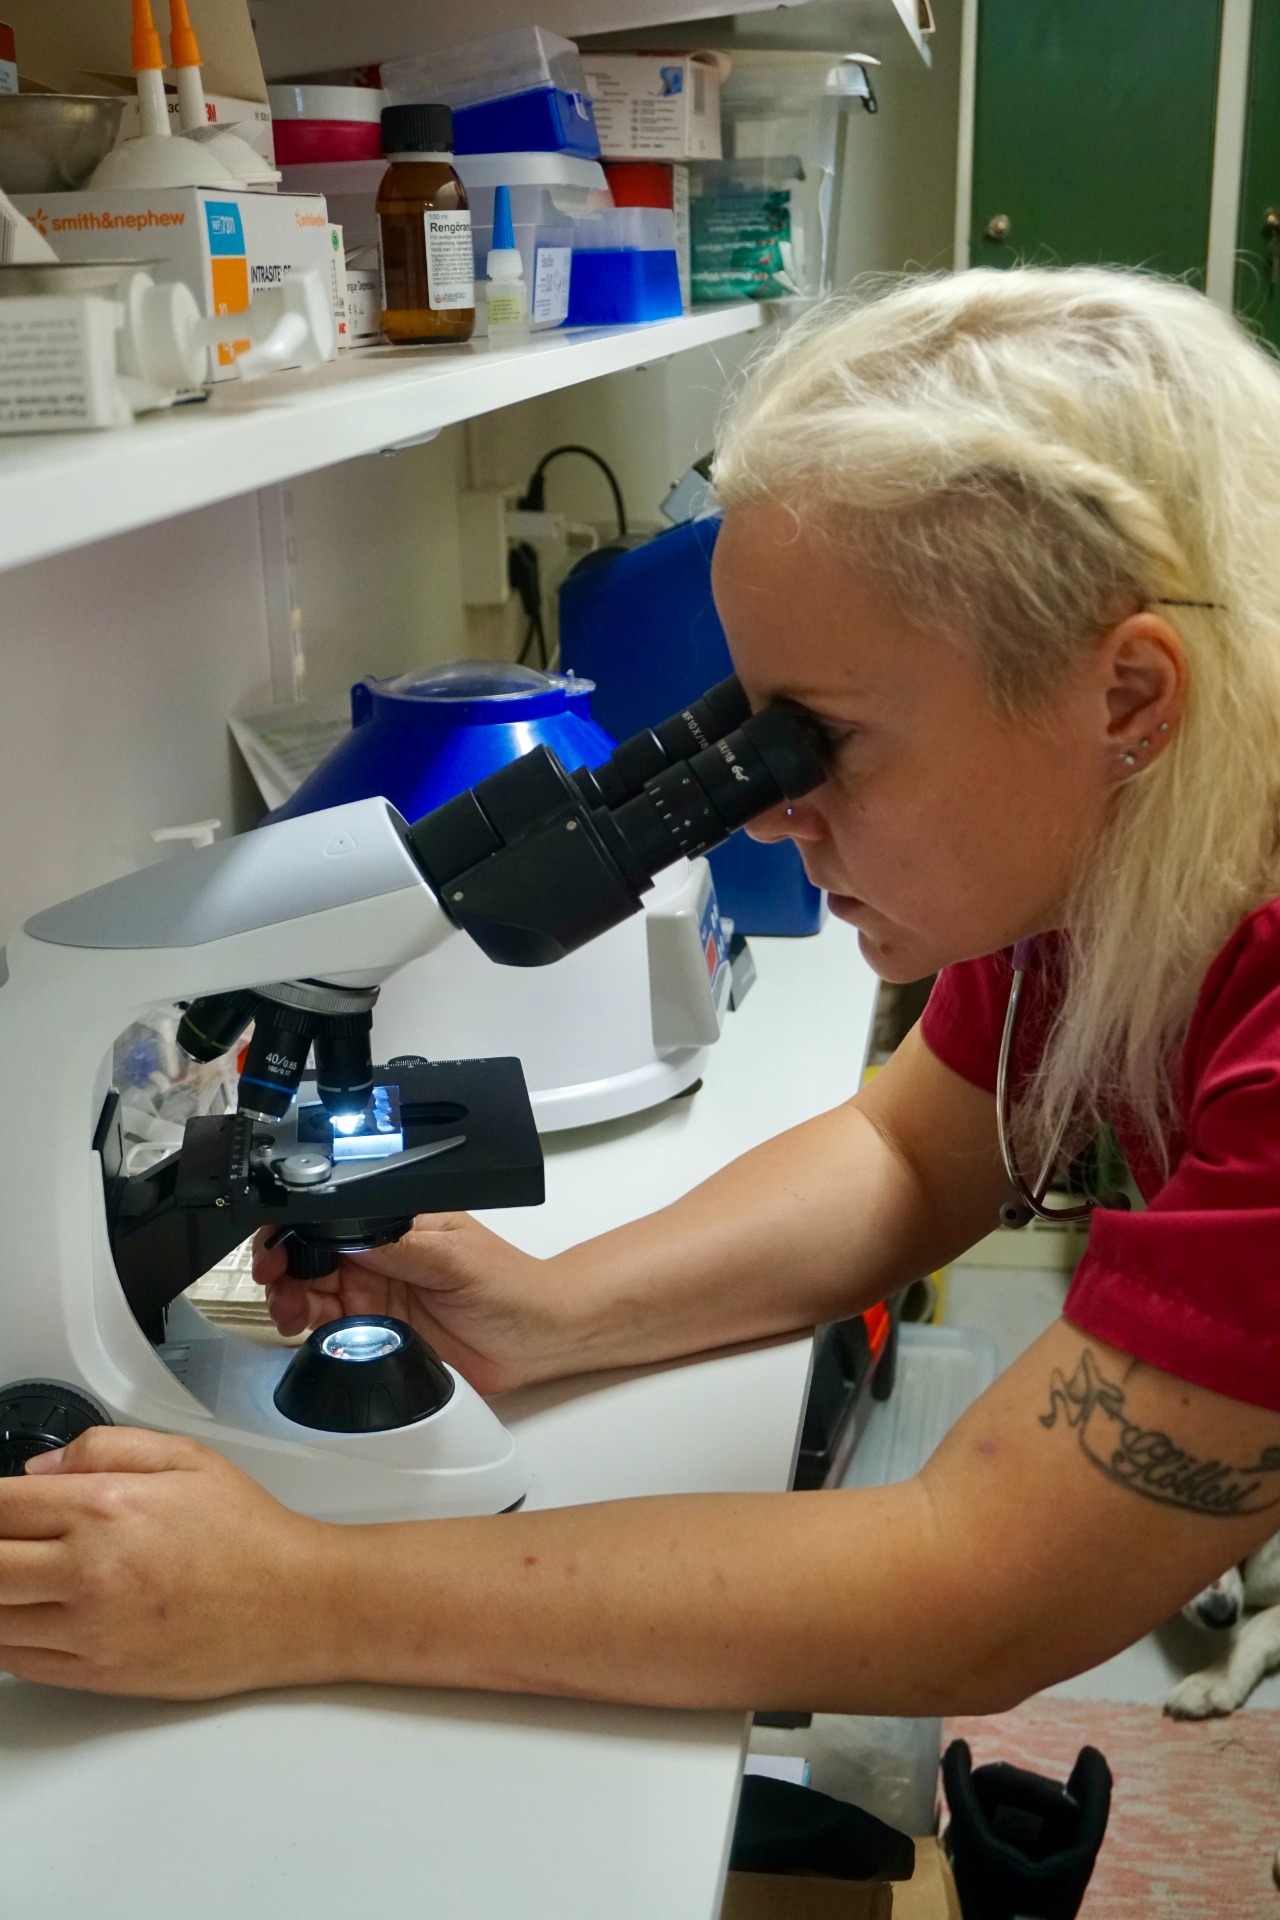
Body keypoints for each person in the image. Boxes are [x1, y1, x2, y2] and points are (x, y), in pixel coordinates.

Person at [5, 266, 1280, 1709]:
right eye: (753, 734)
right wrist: (556, 1313)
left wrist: (297, 1593)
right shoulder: (1118, 864)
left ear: (1126, 698)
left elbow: (981, 1586)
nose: (763, 814)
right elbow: (911, 1152)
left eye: (825, 741)